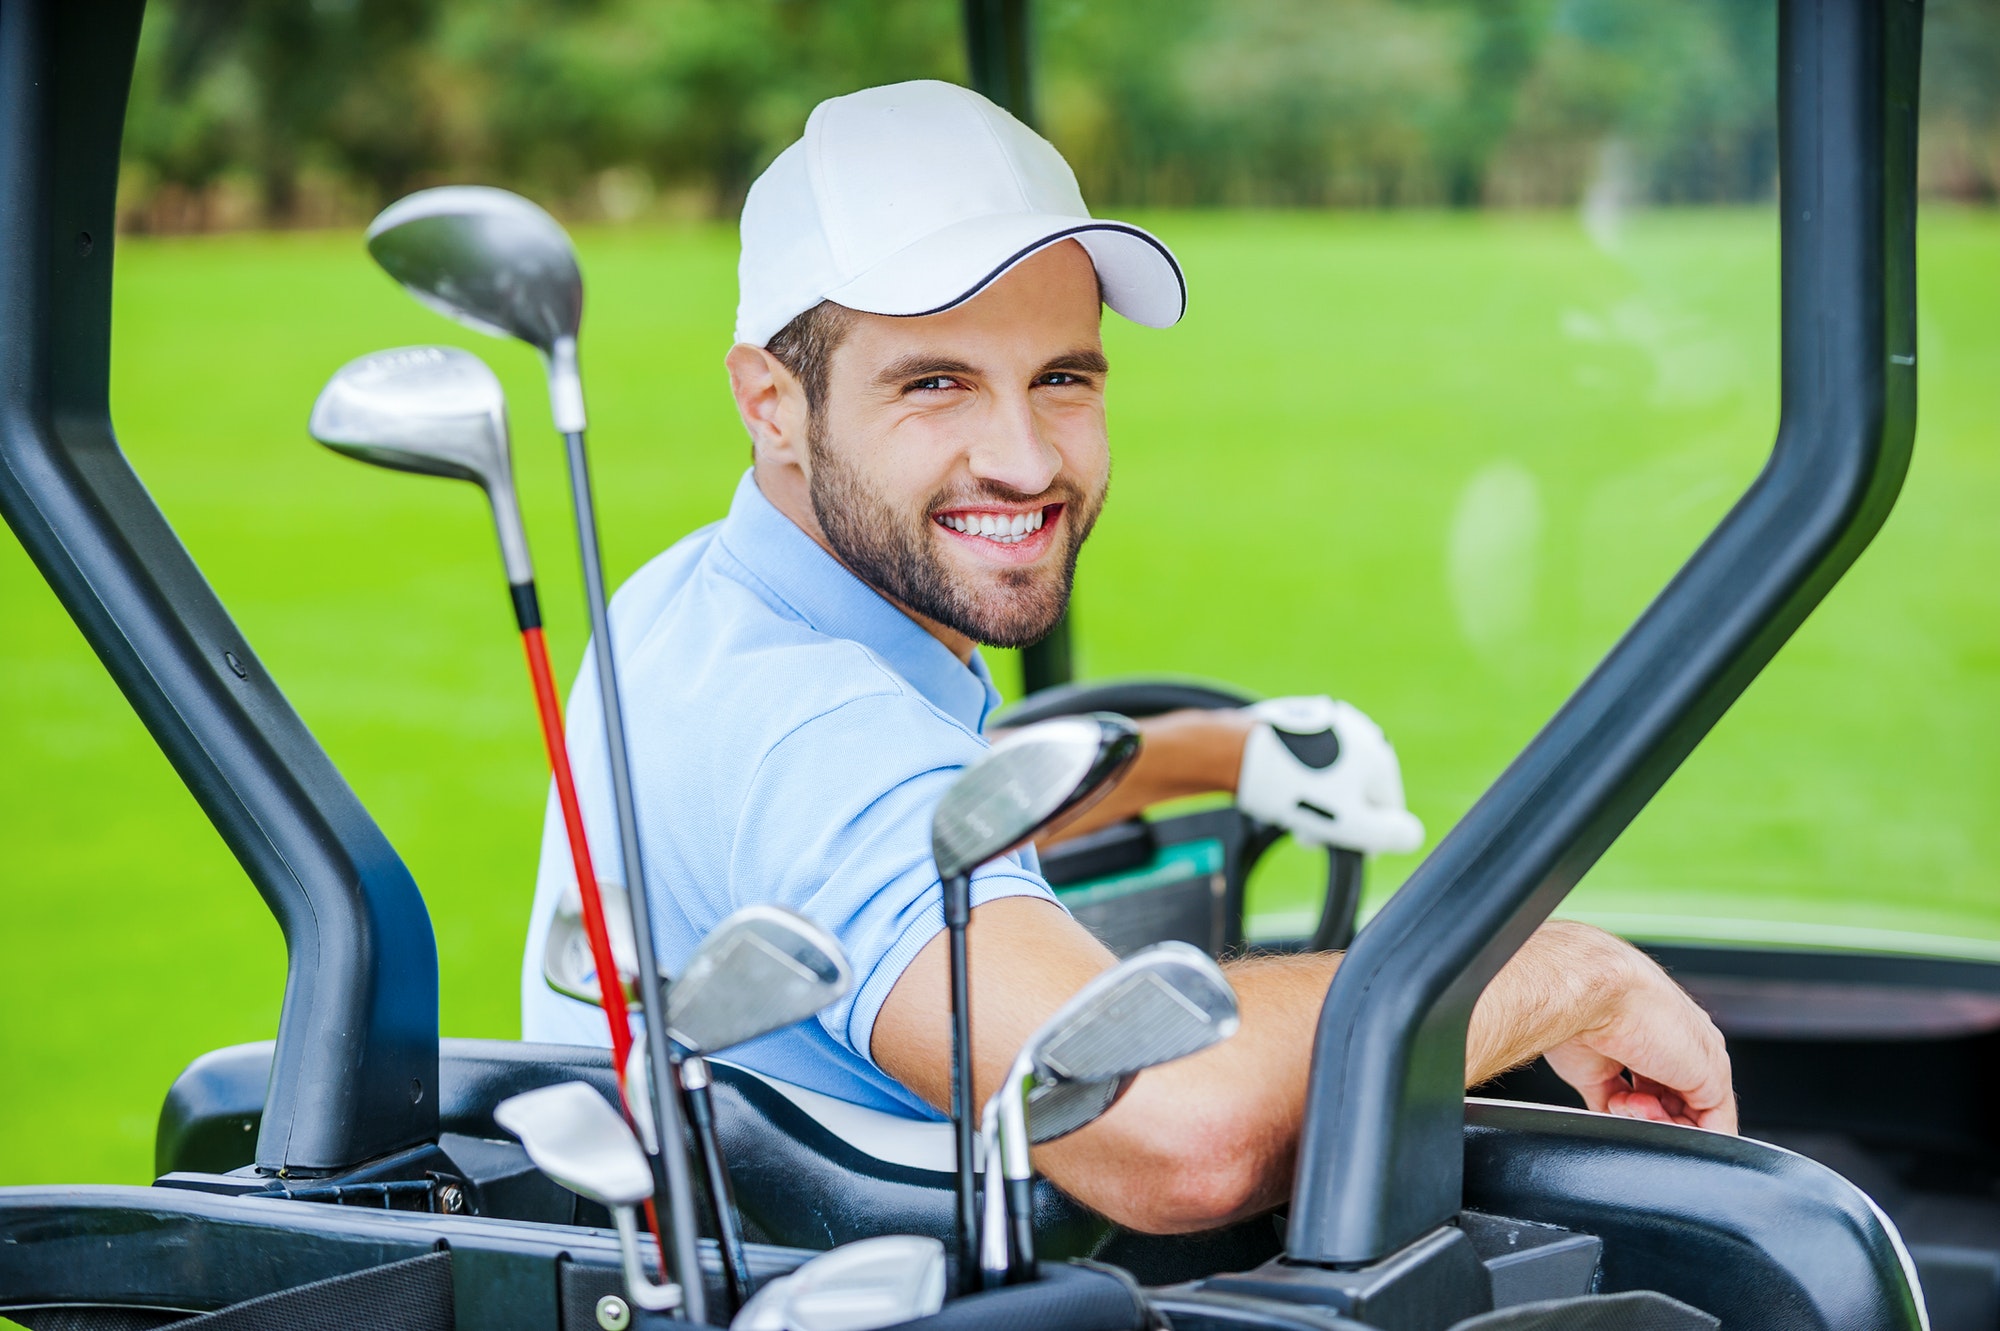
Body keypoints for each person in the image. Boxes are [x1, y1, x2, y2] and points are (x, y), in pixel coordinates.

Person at [521, 79, 1735, 1236]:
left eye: (1059, 377)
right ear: (770, 401)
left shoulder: (702, 601)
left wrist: (1215, 752)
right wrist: (1558, 971)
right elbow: (1174, 1126)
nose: (1023, 459)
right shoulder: (815, 730)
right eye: (935, 383)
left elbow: (930, 818)